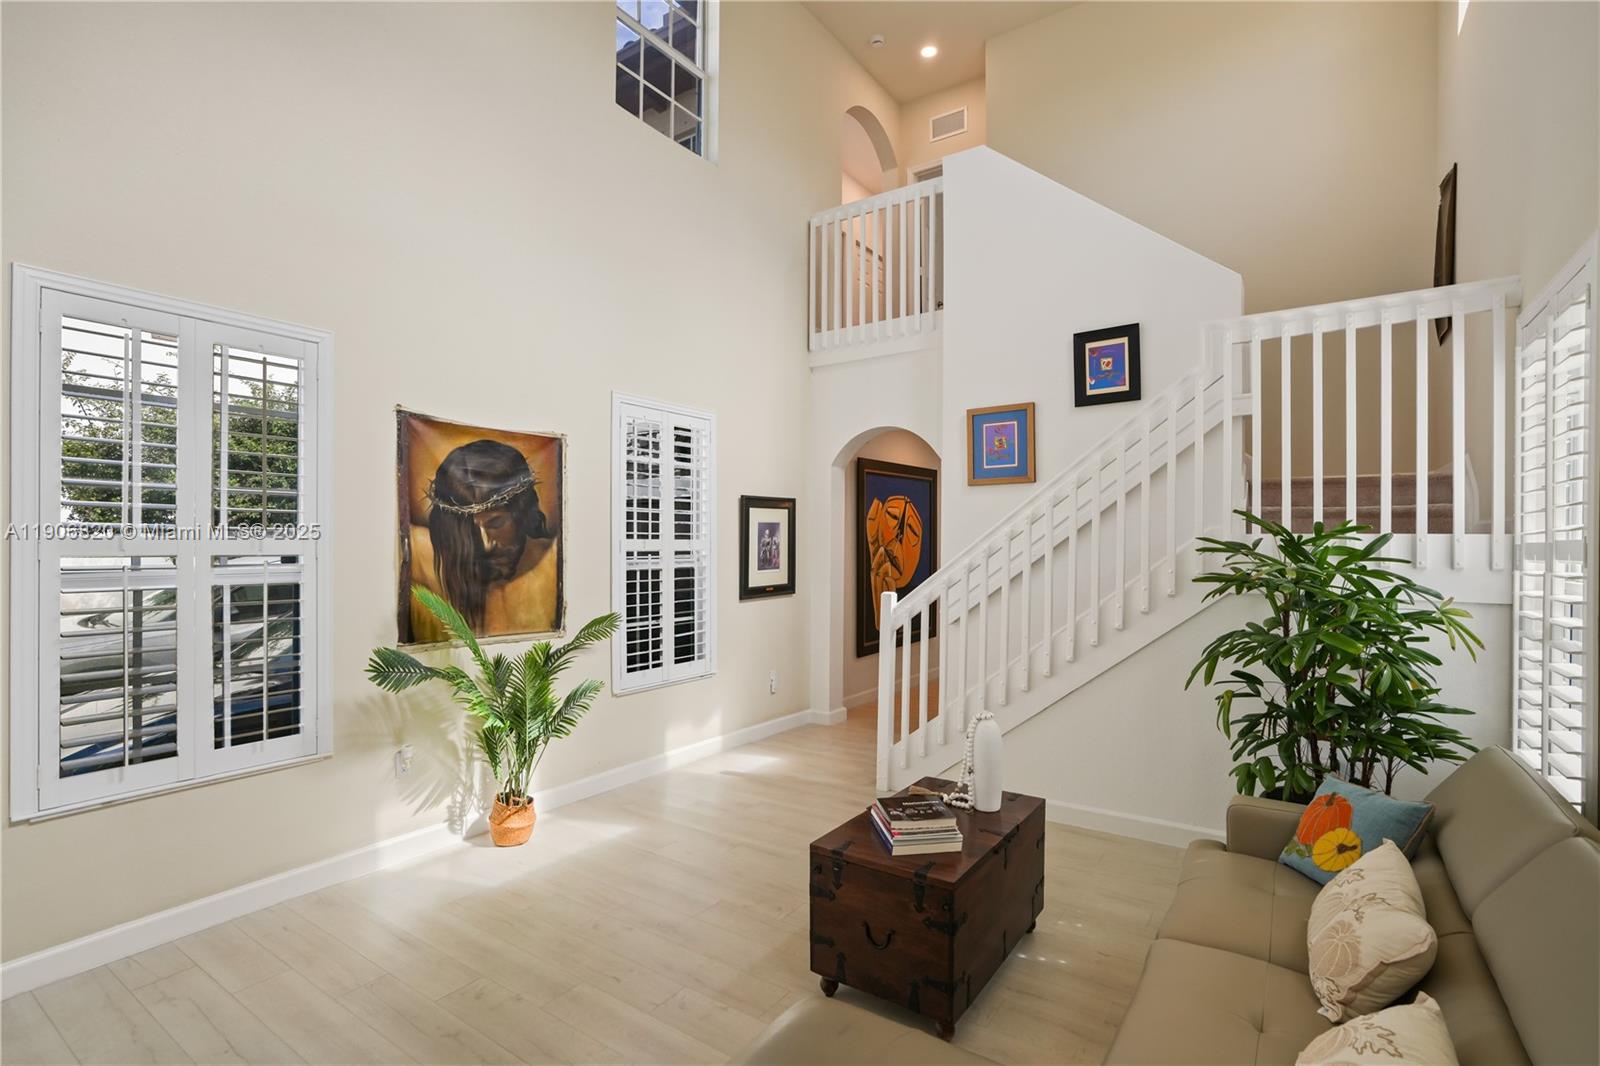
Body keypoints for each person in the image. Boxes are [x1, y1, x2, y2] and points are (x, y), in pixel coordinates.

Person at [407, 439, 560, 640]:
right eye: (468, 531)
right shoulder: (433, 560)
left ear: (522, 512)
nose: (486, 545)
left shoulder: (553, 563)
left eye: (495, 524)